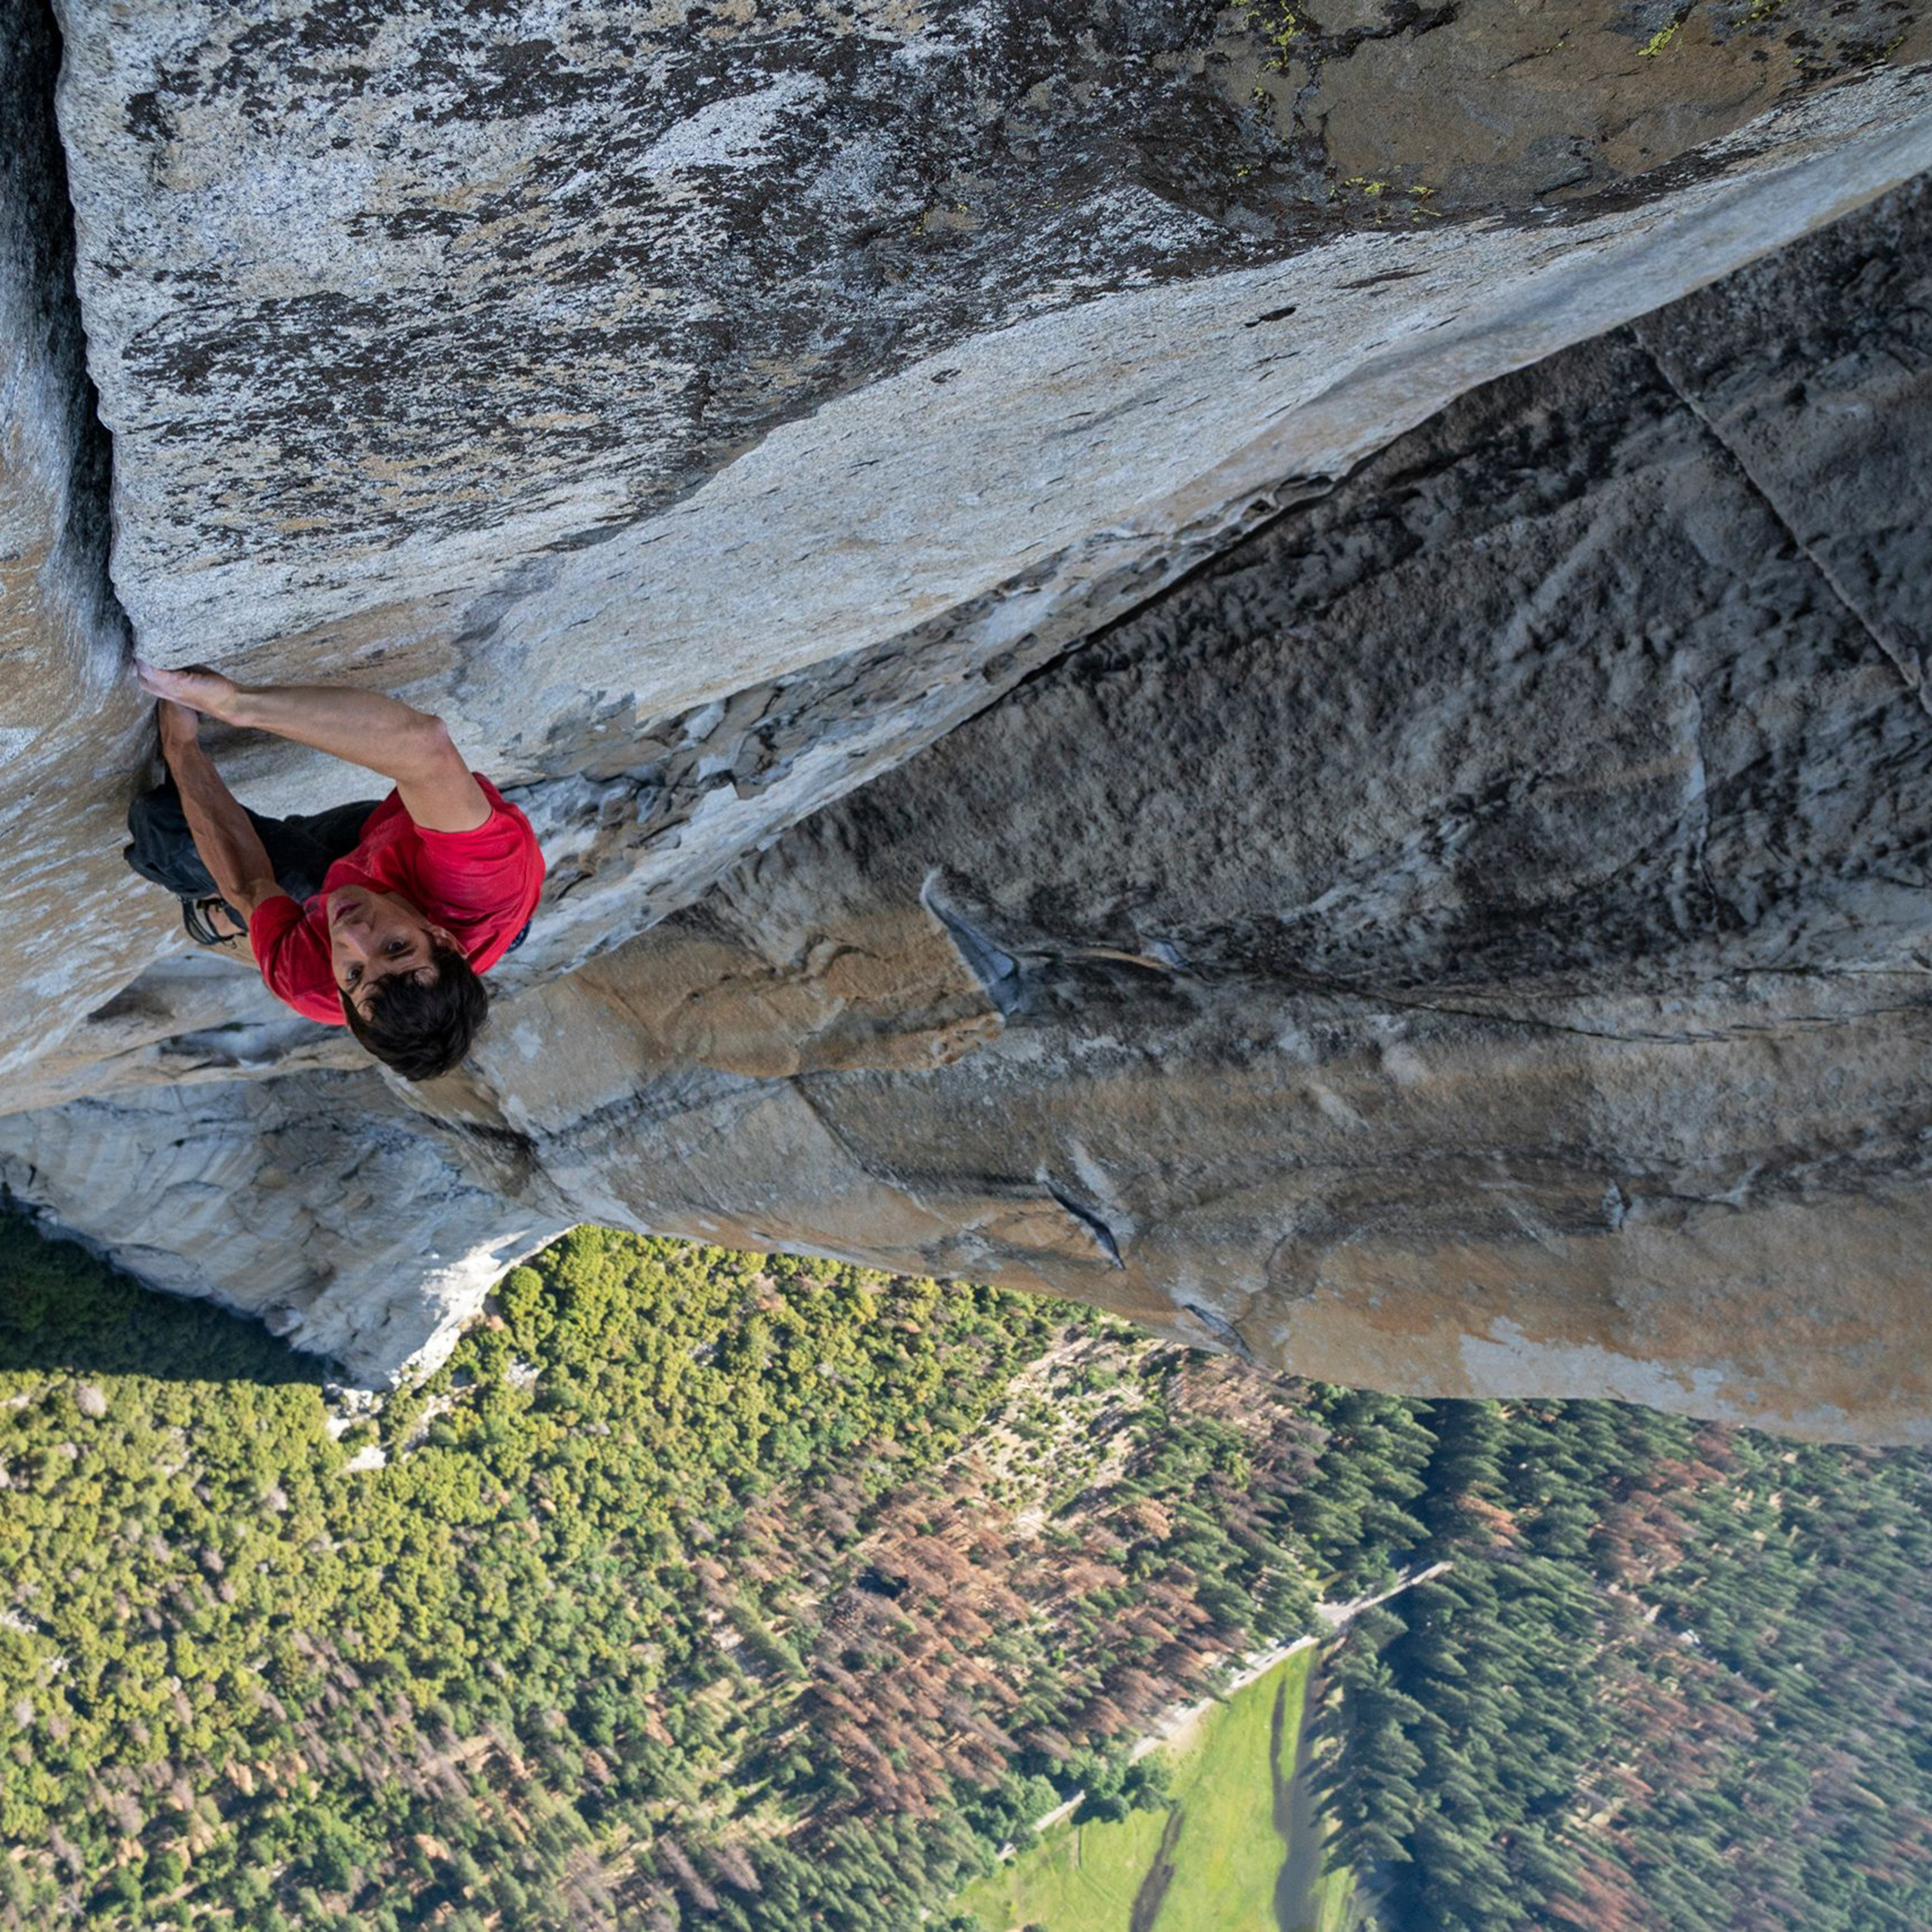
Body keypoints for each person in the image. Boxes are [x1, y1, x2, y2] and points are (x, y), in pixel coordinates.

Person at [123, 663, 544, 1081]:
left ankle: (221, 920)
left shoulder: (311, 982)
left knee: (165, 828)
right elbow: (424, 748)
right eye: (396, 946)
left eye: (356, 974)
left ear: (342, 999)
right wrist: (236, 704)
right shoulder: (479, 884)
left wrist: (181, 746)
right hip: (397, 856)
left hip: (378, 874)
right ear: (441, 937)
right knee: (316, 847)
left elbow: (248, 886)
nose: (353, 934)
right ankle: (283, 879)